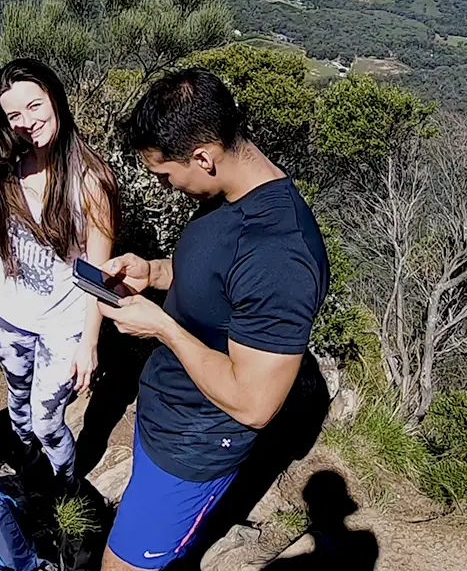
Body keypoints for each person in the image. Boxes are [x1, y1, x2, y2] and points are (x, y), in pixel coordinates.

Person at [96, 68, 329, 571]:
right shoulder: (228, 195)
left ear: (203, 156)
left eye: (165, 174)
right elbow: (214, 276)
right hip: (166, 414)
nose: (166, 186)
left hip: (195, 447)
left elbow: (253, 403)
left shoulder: (280, 256)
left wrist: (161, 327)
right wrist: (153, 272)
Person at [0, 58, 119, 490]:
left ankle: (65, 485)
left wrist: (90, 344)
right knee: (17, 403)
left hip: (65, 322)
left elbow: (98, 273)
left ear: (56, 98)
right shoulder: (6, 163)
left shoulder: (90, 181)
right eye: (13, 115)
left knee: (46, 416)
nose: (26, 122)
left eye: (35, 106)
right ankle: (28, 464)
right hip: (11, 311)